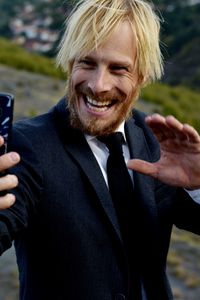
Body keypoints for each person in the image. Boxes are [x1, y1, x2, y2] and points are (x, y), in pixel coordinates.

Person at [0, 0, 200, 299]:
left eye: (118, 69)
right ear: (70, 62)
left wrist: (198, 185)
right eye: (87, 63)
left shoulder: (160, 141)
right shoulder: (26, 146)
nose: (98, 85)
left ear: (142, 76)